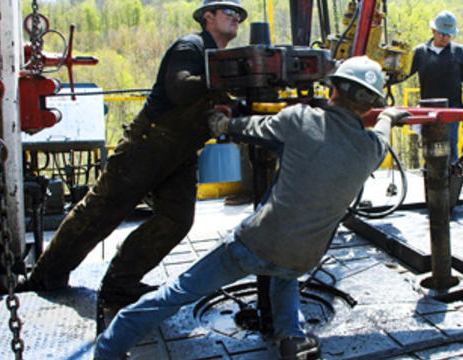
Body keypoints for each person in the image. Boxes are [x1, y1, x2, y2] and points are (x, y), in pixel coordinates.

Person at [93, 56, 411, 360]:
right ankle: (291, 338)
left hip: (256, 244)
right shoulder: (372, 150)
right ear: (371, 104)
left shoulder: (301, 119)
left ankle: (108, 347)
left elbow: (247, 128)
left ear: (333, 90)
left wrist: (222, 122)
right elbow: (382, 133)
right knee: (284, 272)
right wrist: (387, 117)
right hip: (304, 258)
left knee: (181, 290)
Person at [20, 0, 248, 308]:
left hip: (180, 155)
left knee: (176, 219)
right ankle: (46, 277)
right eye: (229, 13)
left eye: (240, 16)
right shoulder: (191, 47)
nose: (237, 19)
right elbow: (179, 88)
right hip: (146, 145)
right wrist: (226, 80)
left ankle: (120, 282)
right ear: (208, 17)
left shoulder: (220, 61)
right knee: (101, 213)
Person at [408, 10, 463, 163]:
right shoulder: (420, 53)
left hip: (452, 109)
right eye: (442, 34)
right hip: (428, 109)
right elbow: (404, 73)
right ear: (433, 31)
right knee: (430, 146)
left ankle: (452, 175)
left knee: (450, 145)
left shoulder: (459, 53)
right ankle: (431, 176)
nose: (445, 38)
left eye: (448, 35)